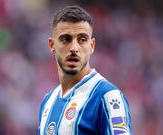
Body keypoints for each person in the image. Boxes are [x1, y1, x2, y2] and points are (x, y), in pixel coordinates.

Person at [38, 5, 132, 135]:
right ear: (52, 45)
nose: (74, 48)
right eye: (66, 39)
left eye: (82, 40)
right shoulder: (47, 101)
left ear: (92, 46)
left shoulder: (107, 97)